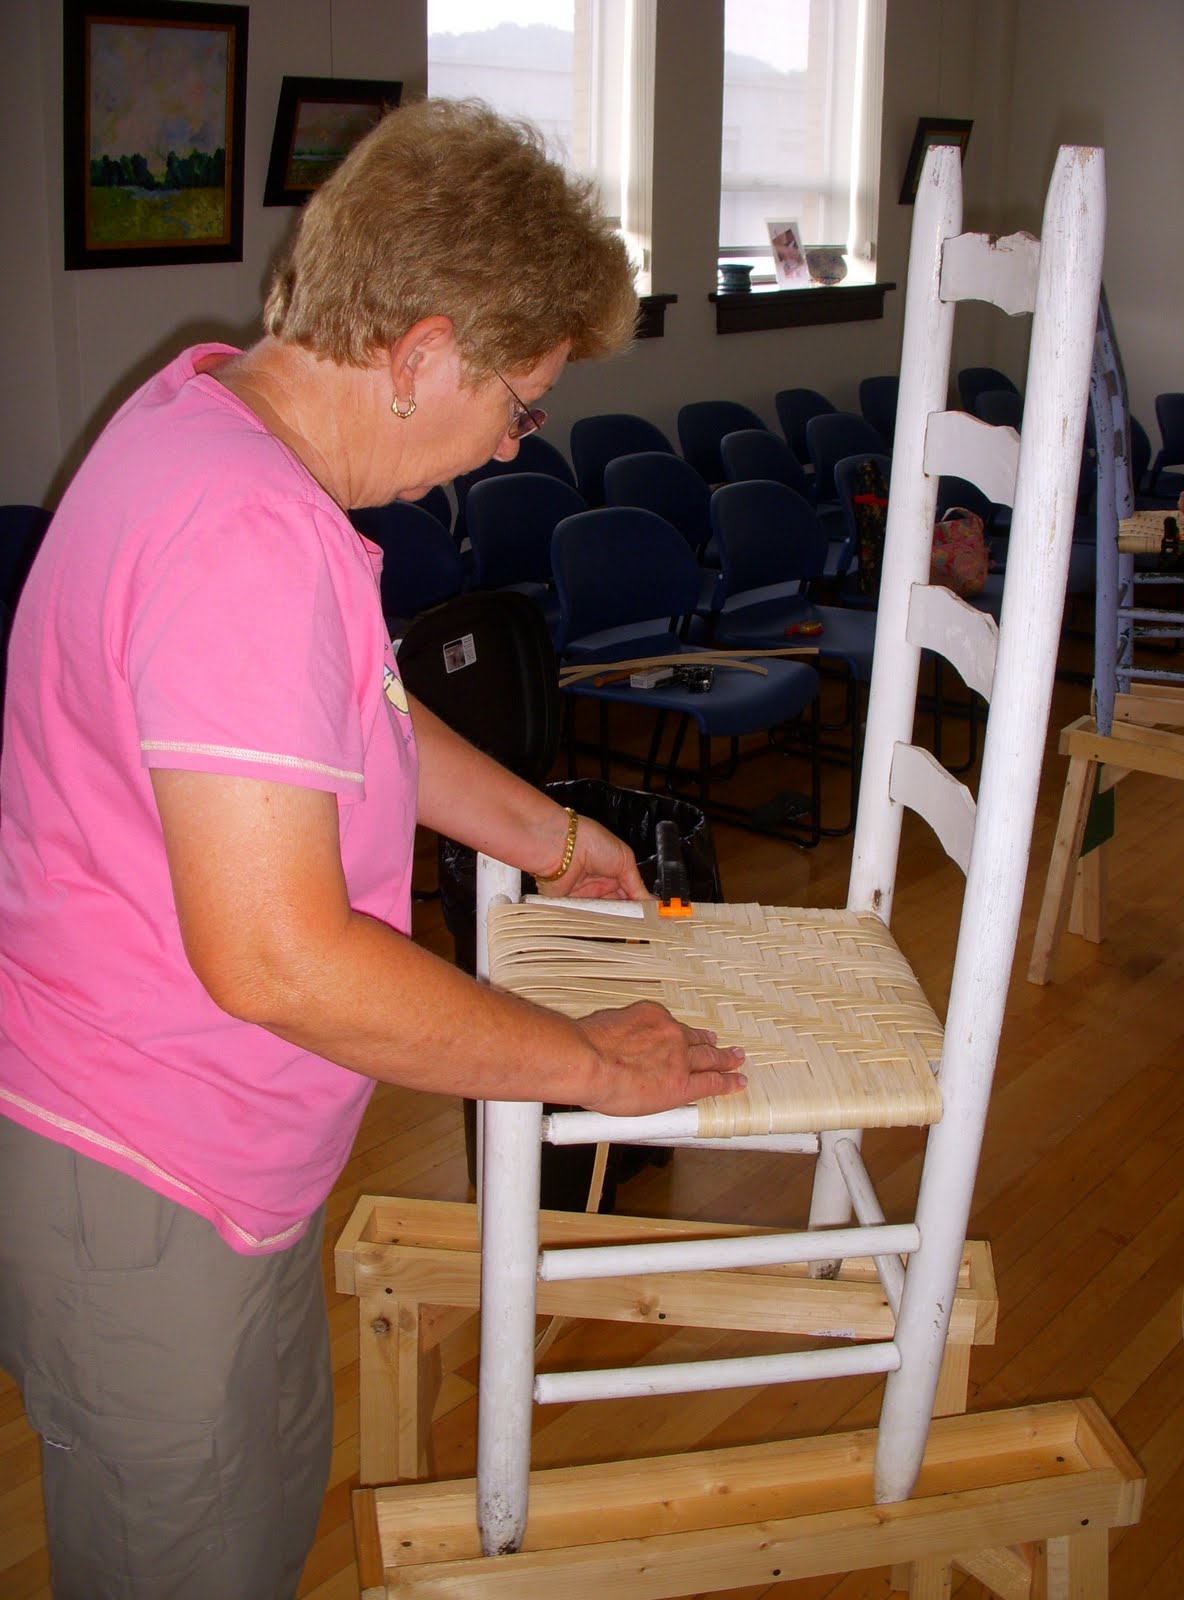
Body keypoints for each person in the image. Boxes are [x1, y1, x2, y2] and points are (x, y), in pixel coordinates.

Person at [0, 99, 745, 1600]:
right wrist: (589, 1065)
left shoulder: (208, 417)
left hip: (200, 1149)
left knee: (255, 1522)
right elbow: (280, 961)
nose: (510, 446)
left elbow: (356, 721)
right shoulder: (244, 535)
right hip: (144, 1157)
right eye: (521, 407)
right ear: (421, 354)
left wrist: (551, 836)